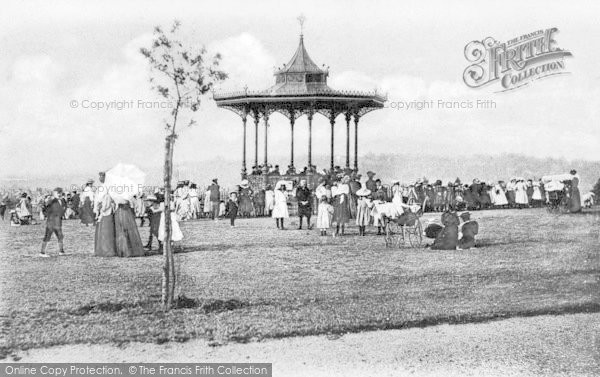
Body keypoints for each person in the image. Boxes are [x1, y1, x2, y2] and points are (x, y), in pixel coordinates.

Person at [40, 187, 66, 257]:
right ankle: (42, 252)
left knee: (60, 236)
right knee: (47, 236)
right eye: (57, 193)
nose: (59, 194)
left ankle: (61, 251)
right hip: (51, 222)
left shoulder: (62, 200)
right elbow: (45, 208)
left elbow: (63, 209)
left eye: (60, 193)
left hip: (58, 222)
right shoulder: (51, 200)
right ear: (54, 193)